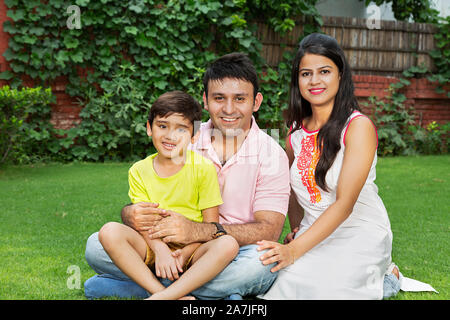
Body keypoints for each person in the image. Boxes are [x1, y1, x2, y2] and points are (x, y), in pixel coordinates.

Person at [84, 53, 291, 300]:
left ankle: (143, 287)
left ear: (256, 101)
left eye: (239, 99)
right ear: (205, 100)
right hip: (163, 245)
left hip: (228, 253)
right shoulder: (184, 135)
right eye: (218, 98)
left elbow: (268, 231)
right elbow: (150, 191)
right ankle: (201, 293)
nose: (228, 109)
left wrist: (197, 232)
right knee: (96, 246)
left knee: (261, 265)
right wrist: (129, 214)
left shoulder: (272, 154)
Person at [258, 33, 402, 300]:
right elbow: (290, 188)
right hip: (314, 233)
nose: (314, 81)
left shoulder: (357, 127)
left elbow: (344, 204)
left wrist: (294, 250)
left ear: (340, 75)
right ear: (297, 80)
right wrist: (297, 230)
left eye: (324, 71)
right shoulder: (295, 131)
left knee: (327, 290)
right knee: (282, 285)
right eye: (306, 74)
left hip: (359, 232)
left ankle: (388, 278)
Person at [93, 91, 239, 300]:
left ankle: (161, 297)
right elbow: (143, 223)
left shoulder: (203, 168)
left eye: (181, 129)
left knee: (228, 244)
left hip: (192, 251)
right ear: (148, 128)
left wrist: (185, 254)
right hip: (152, 247)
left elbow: (210, 229)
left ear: (194, 135)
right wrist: (161, 251)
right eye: (162, 126)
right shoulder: (138, 170)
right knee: (108, 232)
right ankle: (164, 294)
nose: (170, 136)